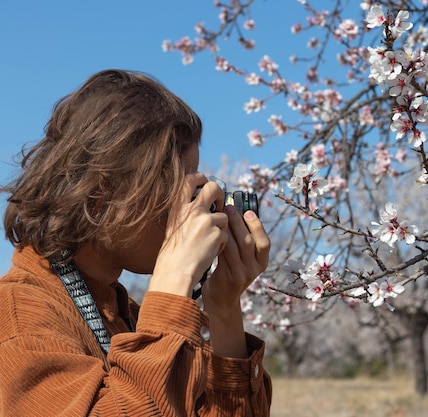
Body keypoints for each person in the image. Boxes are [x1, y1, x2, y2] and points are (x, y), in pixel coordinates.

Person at [0, 69, 272, 416]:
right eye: (176, 191)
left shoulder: (123, 314)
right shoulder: (18, 321)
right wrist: (173, 284)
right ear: (99, 195)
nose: (188, 212)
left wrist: (223, 308)